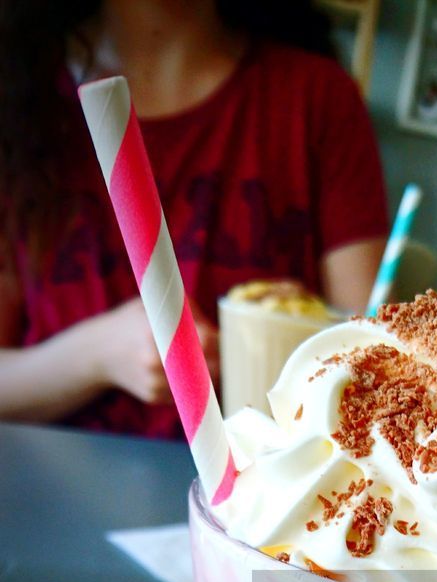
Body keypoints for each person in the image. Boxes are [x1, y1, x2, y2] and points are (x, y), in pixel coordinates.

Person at [0, 0, 388, 438]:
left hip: (252, 489)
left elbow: (371, 363)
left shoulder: (317, 99)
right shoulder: (18, 106)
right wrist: (99, 353)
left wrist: (296, 329)